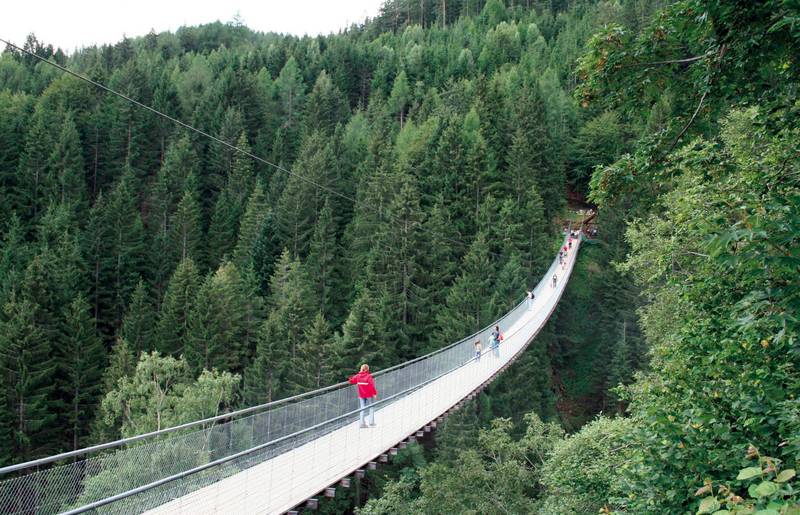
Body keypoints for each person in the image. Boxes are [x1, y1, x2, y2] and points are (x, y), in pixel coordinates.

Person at [349, 364, 378, 428]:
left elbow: (351, 381)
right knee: (371, 407)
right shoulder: (368, 376)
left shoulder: (357, 376)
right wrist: (374, 394)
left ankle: (362, 424)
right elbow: (371, 386)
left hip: (361, 395)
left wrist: (350, 378)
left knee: (362, 408)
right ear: (367, 369)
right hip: (369, 395)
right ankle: (371, 423)